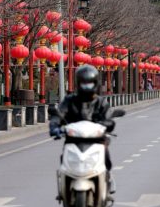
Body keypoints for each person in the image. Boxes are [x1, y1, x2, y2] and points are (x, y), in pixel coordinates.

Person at [49, 65, 116, 196]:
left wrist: (107, 124)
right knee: (64, 157)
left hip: (96, 139)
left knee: (106, 155)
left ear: (95, 84)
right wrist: (55, 127)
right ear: (78, 83)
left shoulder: (101, 102)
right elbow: (58, 115)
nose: (87, 87)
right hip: (73, 139)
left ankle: (108, 175)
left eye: (89, 84)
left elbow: (109, 118)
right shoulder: (69, 101)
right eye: (84, 84)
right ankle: (64, 183)